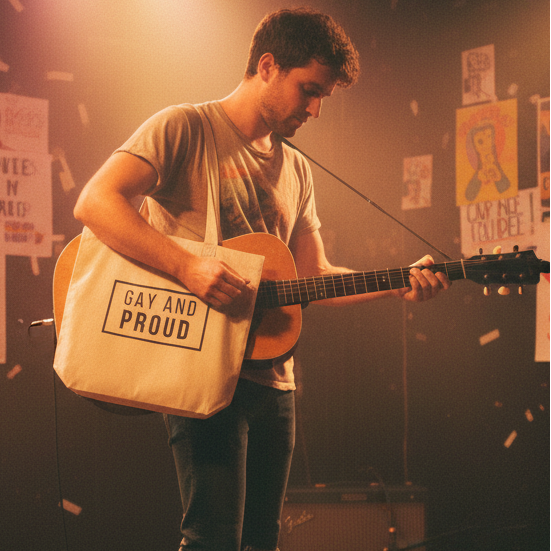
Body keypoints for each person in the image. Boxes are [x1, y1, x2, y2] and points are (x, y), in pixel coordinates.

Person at [74, 8, 451, 551]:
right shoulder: (184, 127)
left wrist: (400, 282)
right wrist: (188, 266)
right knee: (211, 539)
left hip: (275, 382)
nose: (316, 110)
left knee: (262, 541)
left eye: (323, 96)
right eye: (309, 90)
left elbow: (315, 275)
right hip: (201, 368)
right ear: (267, 66)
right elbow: (95, 202)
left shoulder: (296, 168)